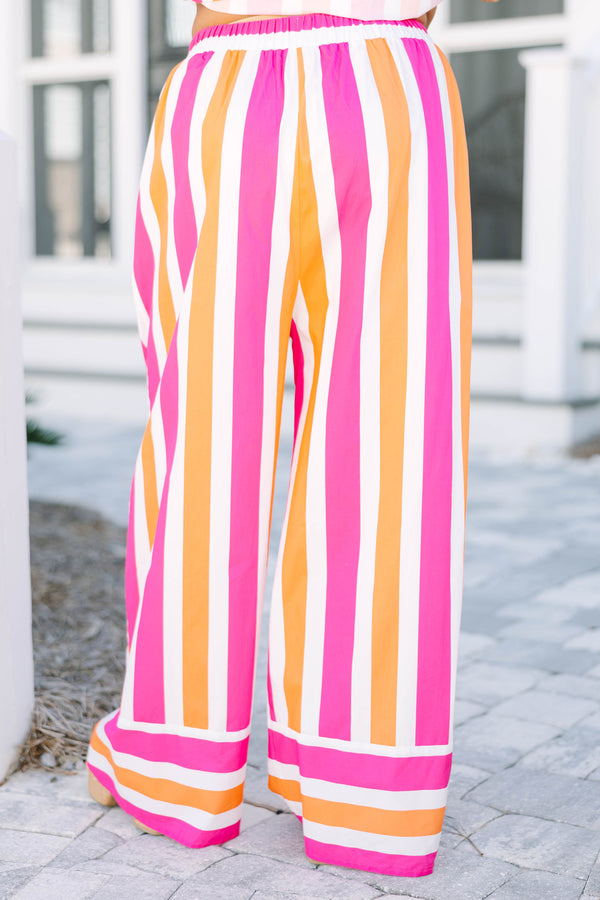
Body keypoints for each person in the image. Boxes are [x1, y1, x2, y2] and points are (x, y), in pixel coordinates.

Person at [87, 0, 499, 878]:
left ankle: (180, 762)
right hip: (394, 88)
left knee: (202, 437)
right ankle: (366, 789)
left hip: (237, 88)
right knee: (391, 446)